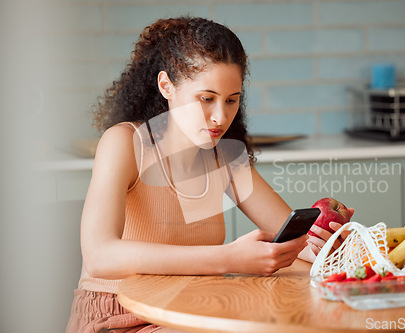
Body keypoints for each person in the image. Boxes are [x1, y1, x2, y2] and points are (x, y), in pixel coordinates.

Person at [66, 16, 352, 333]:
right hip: (118, 315)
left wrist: (326, 246)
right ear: (166, 86)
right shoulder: (125, 143)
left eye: (232, 101)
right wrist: (228, 258)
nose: (220, 117)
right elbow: (100, 255)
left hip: (192, 310)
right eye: (206, 99)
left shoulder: (226, 157)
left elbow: (289, 239)